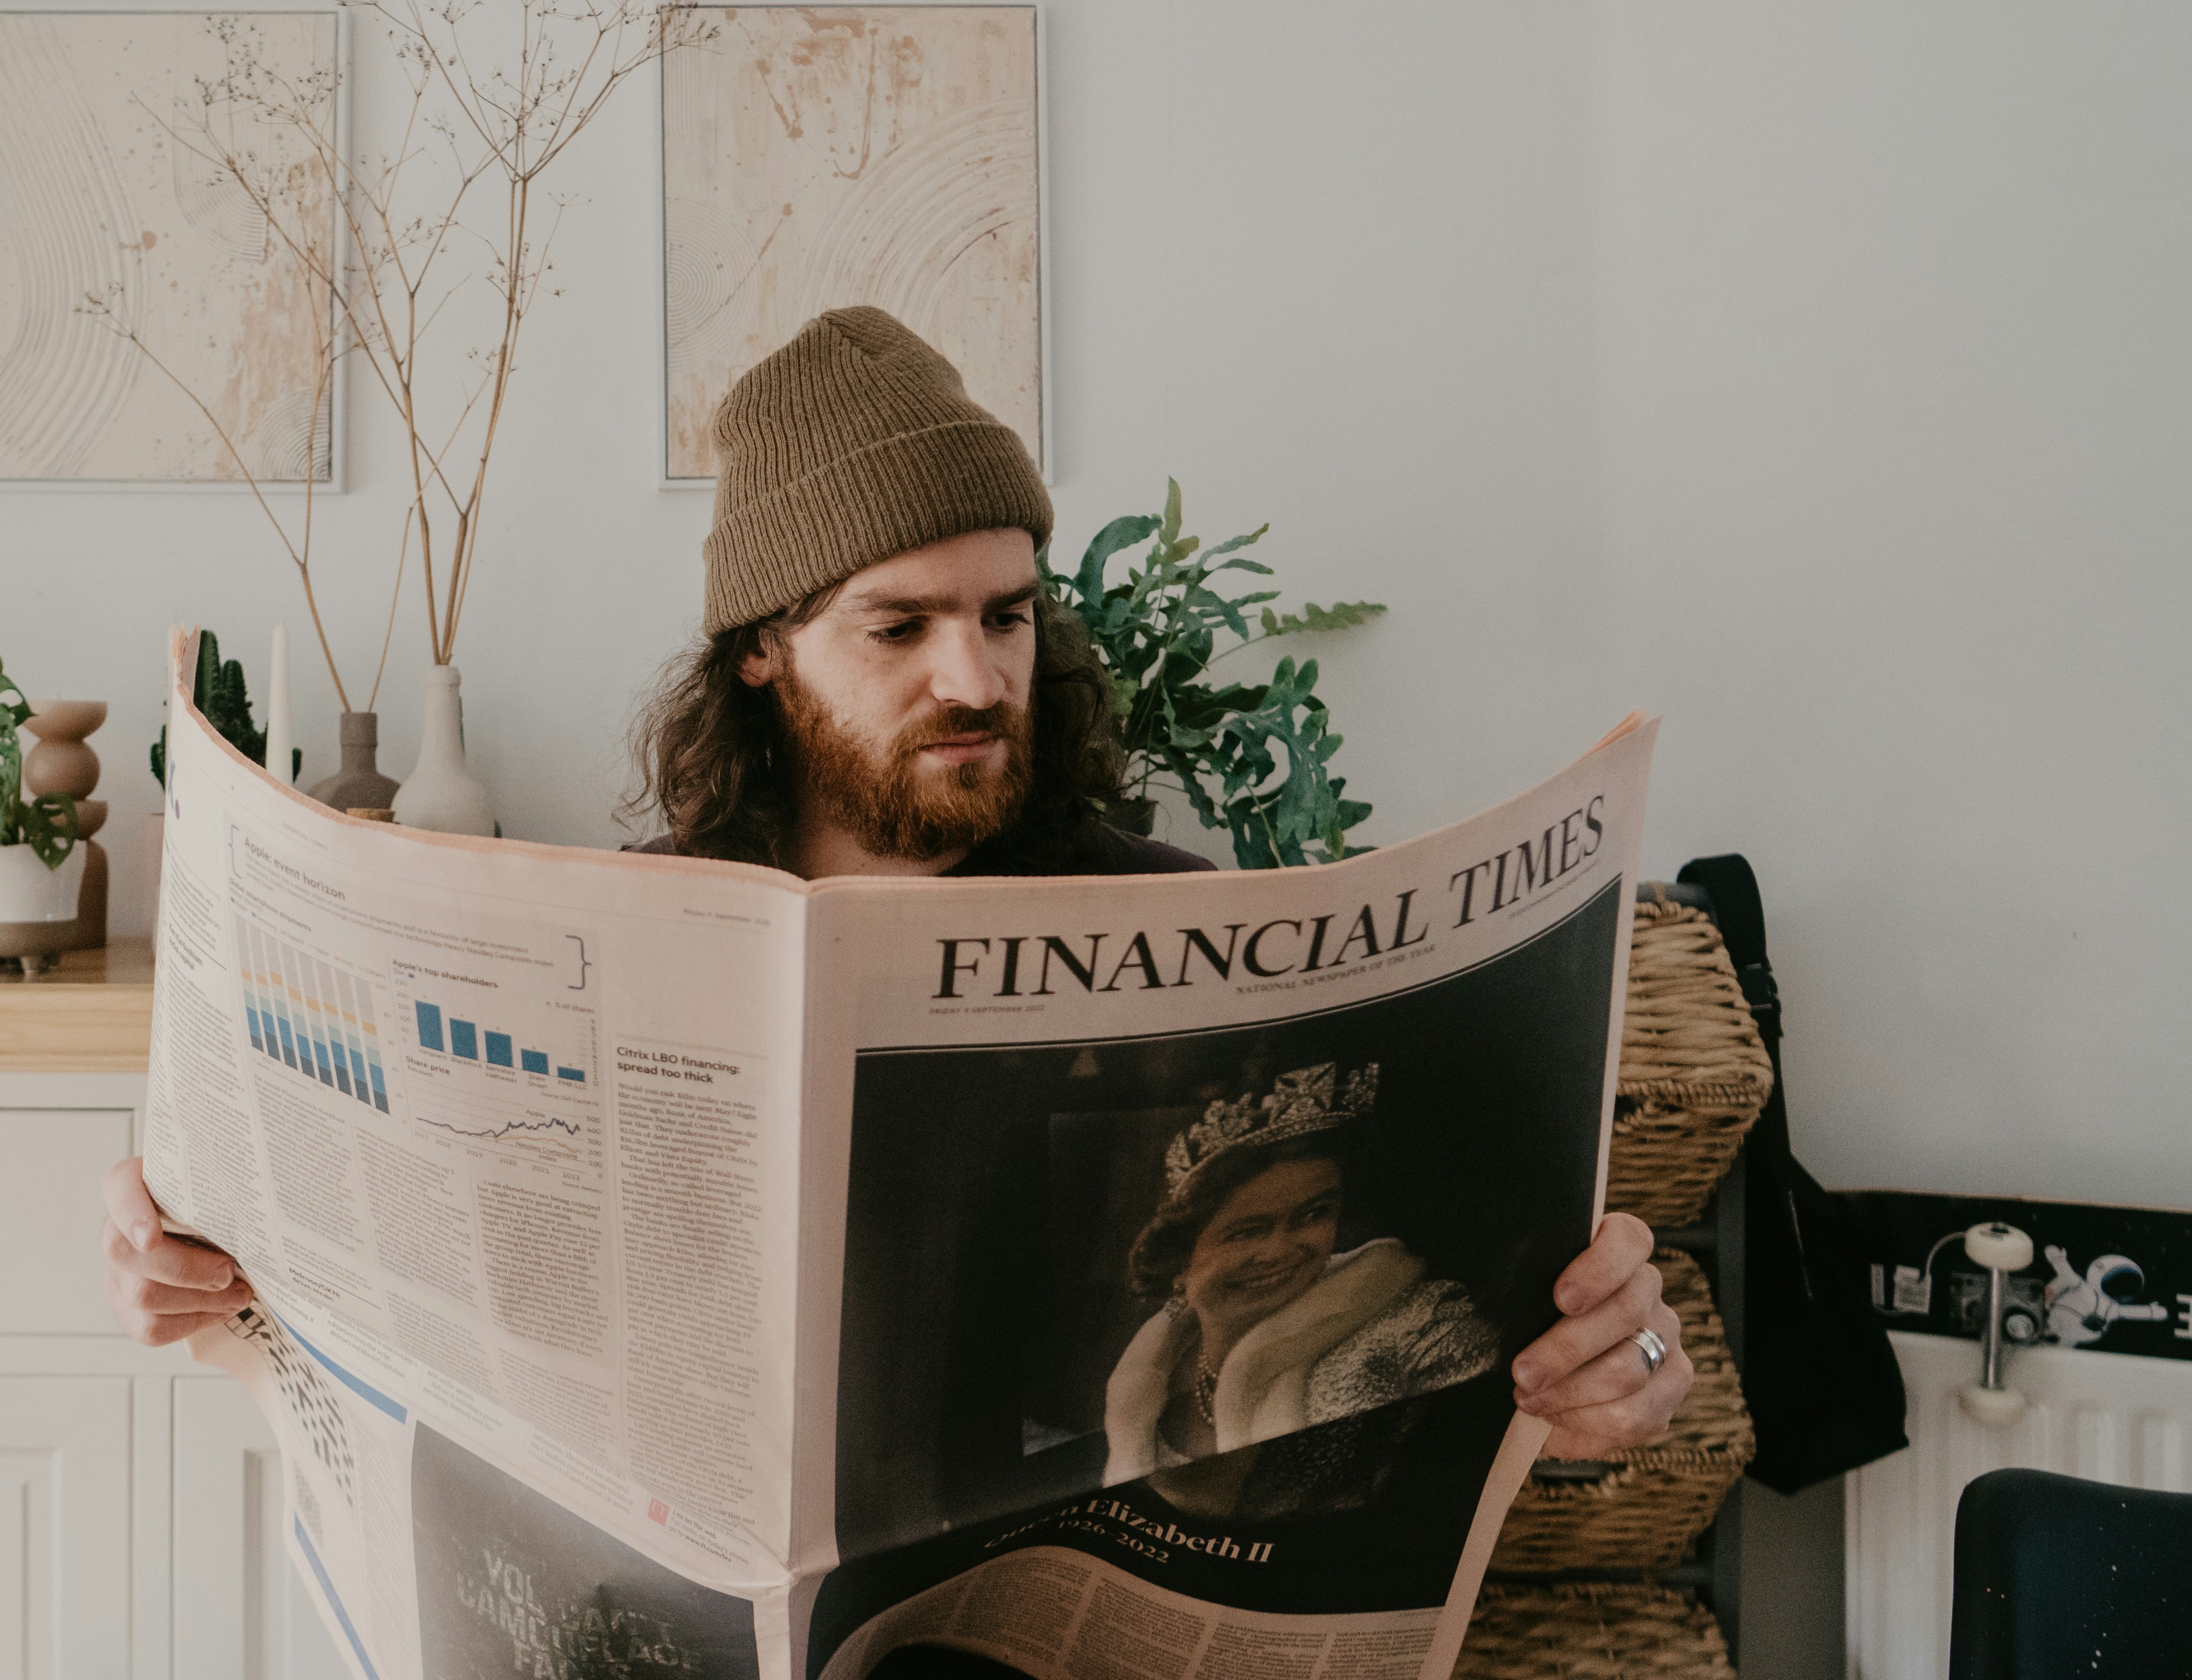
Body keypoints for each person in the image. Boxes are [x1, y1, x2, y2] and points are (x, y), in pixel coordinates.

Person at [101, 306, 1692, 1461]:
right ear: (762, 651)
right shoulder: (605, 943)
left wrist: (1602, 1375)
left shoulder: (1182, 926)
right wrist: (199, 1265)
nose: (976, 673)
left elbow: (1417, 1347)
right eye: (902, 623)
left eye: (1007, 614)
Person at [1101, 1065, 1501, 1516]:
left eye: (1314, 1214)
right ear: (1179, 1260)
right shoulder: (1145, 1383)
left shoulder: (1413, 1324)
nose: (1280, 1251)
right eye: (1246, 1231)